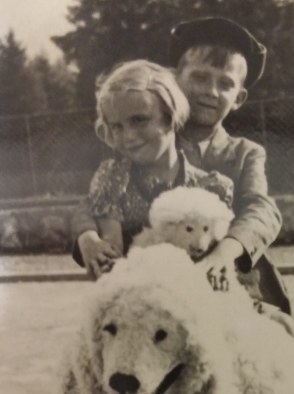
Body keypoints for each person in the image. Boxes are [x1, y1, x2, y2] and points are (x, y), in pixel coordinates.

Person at [170, 16, 291, 313]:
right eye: (199, 78)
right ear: (174, 79)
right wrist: (89, 238)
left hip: (233, 286)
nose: (211, 91)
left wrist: (224, 254)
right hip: (165, 286)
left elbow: (261, 209)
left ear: (238, 98)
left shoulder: (245, 153)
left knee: (285, 348)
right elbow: (104, 193)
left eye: (225, 84)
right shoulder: (151, 144)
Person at [72, 59, 233, 279]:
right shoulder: (114, 179)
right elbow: (110, 259)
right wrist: (89, 240)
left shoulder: (211, 188)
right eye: (117, 126)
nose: (128, 136)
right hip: (136, 297)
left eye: (139, 120)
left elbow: (222, 263)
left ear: (170, 116)